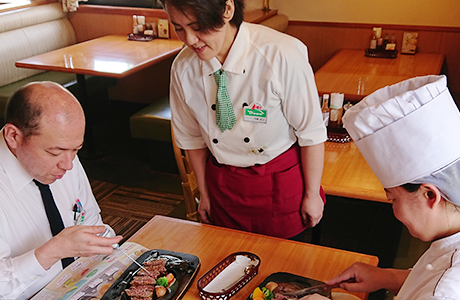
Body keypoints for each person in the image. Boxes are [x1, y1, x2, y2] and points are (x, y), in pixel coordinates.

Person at [160, 0, 327, 240]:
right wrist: (204, 193)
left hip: (278, 180)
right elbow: (192, 139)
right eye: (179, 28)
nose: (190, 40)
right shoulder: (183, 68)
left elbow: (311, 132)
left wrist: (311, 195)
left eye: (198, 27)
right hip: (223, 183)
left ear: (227, 9)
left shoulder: (281, 54)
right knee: (228, 262)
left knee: (286, 268)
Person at [303, 75, 460, 300]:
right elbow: (430, 276)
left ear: (429, 195)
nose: (394, 211)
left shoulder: (445, 292)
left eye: (393, 200)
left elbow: (437, 286)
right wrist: (387, 278)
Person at [0, 82, 123, 299]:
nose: (68, 164)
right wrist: (53, 251)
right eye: (54, 151)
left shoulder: (66, 156)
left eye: (76, 149)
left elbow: (91, 222)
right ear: (13, 136)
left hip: (80, 283)